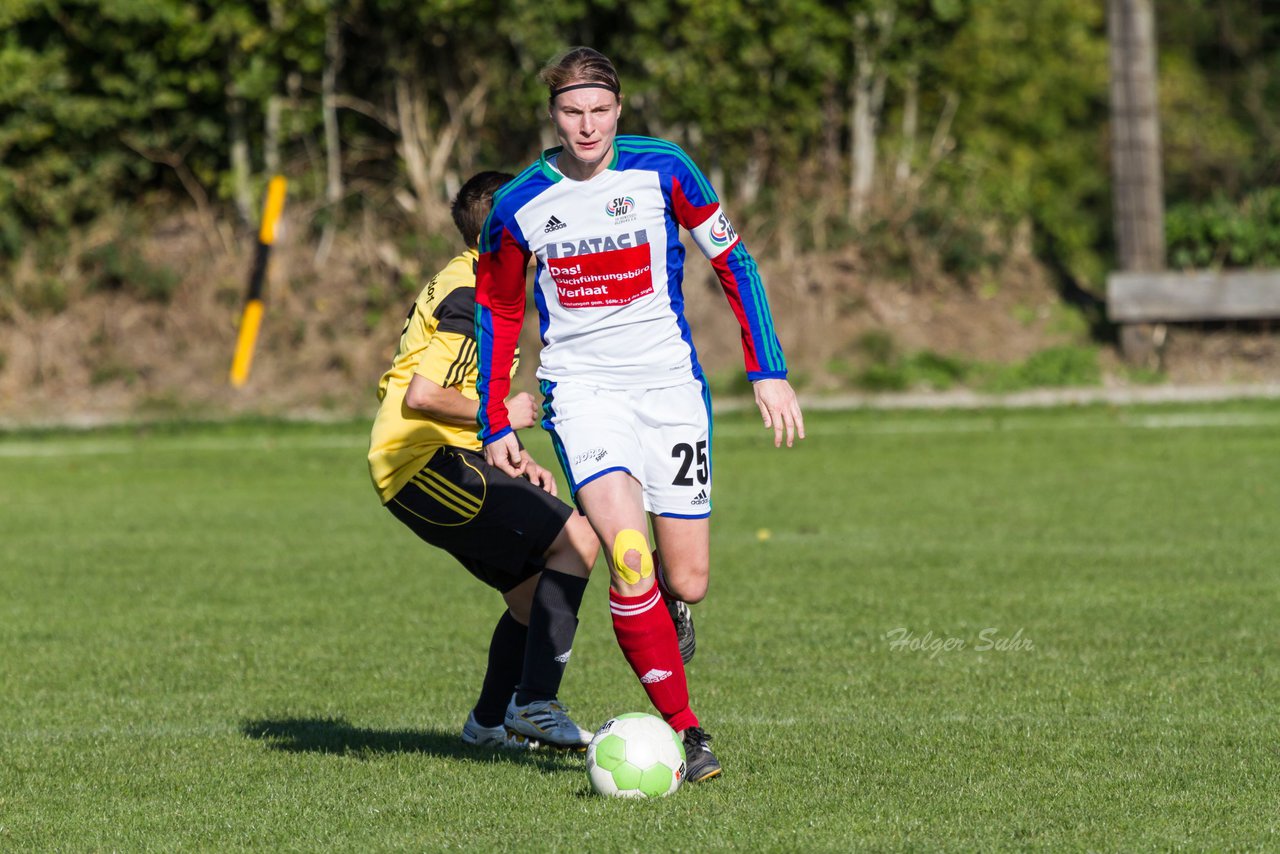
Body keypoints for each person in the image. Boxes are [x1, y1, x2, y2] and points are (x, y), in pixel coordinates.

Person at [474, 47, 805, 782]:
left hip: (670, 392)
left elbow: (733, 261)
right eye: (570, 111)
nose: (586, 125)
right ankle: (691, 734)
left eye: (598, 110)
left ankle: (664, 603)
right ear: (552, 117)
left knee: (685, 581)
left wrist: (768, 371)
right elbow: (497, 308)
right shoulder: (519, 202)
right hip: (583, 393)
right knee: (625, 554)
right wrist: (494, 420)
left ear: (618, 110)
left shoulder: (665, 167)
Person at [368, 170, 600, 751]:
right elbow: (424, 395)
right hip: (421, 465)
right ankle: (536, 703)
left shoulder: (476, 277)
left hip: (443, 457)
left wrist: (510, 456)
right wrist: (505, 414)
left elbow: (452, 384)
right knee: (579, 541)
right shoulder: (472, 291)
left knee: (530, 599)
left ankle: (488, 724)